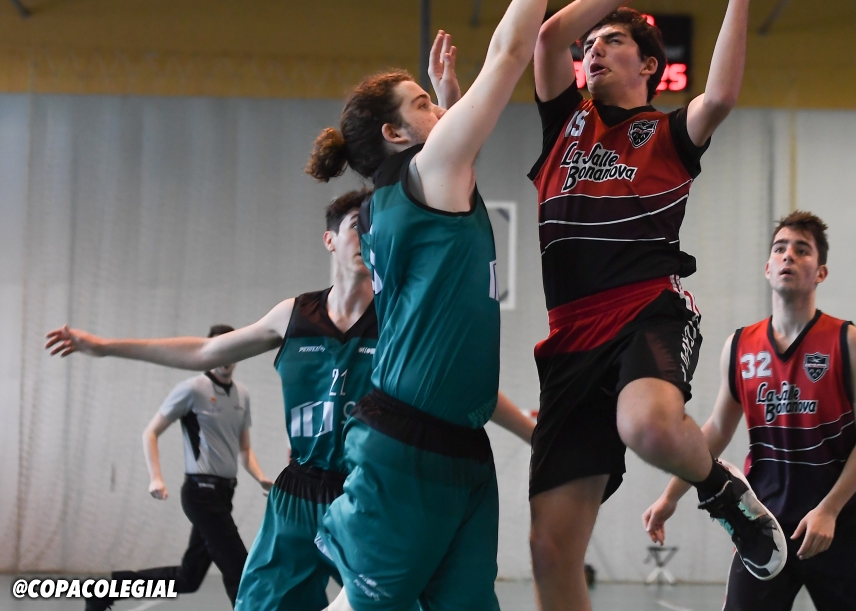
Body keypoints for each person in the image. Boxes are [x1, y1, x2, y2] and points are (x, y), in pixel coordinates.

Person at [46, 190, 534, 611]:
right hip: (299, 492)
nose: (367, 236)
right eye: (356, 226)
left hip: (373, 492)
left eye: (376, 228)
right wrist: (105, 346)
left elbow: (462, 390)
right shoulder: (294, 316)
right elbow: (205, 351)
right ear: (329, 239)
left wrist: (535, 433)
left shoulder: (400, 319)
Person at [301, 0, 568, 610]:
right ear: (396, 134)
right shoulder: (423, 176)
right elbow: (509, 53)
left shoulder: (422, 189)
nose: (438, 106)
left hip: (460, 449)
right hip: (406, 450)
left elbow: (449, 163)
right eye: (421, 103)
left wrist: (443, 101)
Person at [527, 0, 782, 610]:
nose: (593, 51)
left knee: (644, 424)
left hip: (645, 309)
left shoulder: (668, 136)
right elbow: (548, 36)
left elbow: (721, 95)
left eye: (611, 42)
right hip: (568, 338)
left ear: (648, 65)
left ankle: (722, 491)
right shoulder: (564, 125)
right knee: (549, 551)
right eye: (590, 45)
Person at [643, 212, 856, 611]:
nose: (788, 256)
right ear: (767, 268)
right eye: (780, 249)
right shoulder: (740, 346)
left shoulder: (848, 341)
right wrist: (670, 496)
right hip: (764, 523)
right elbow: (715, 431)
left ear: (820, 272)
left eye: (802, 250)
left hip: (838, 522)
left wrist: (829, 509)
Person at [57, 323, 270, 611]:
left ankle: (105, 589)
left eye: (231, 349)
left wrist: (260, 477)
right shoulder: (193, 389)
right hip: (201, 494)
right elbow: (151, 432)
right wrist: (155, 477)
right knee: (240, 569)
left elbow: (244, 449)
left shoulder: (242, 394)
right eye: (219, 350)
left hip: (223, 494)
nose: (225, 357)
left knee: (189, 577)